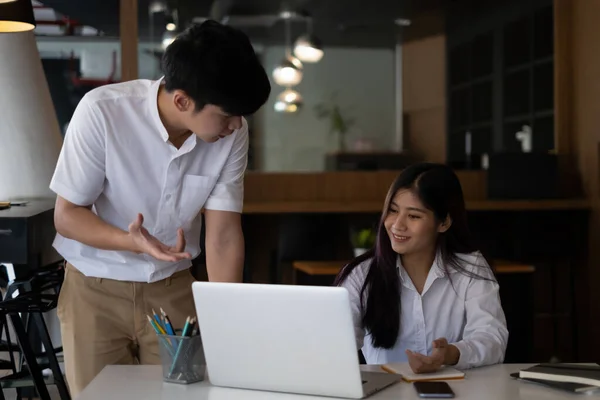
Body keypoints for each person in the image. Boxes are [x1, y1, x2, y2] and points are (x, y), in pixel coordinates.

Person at [49, 20, 271, 395]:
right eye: (227, 114)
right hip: (95, 288)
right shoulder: (103, 112)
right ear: (182, 100)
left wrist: (228, 316)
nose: (236, 125)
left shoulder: (231, 134)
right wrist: (130, 241)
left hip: (174, 289)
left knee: (187, 394)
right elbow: (67, 215)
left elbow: (223, 235)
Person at [334, 163, 508, 372]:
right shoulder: (361, 275)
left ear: (443, 222)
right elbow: (336, 345)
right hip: (386, 393)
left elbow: (492, 339)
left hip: (458, 390)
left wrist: (450, 353)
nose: (397, 225)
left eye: (414, 216)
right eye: (393, 210)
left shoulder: (470, 267)